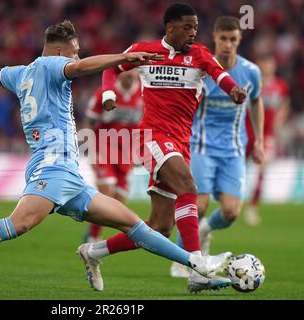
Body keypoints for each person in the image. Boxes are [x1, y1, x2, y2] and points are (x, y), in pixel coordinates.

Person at [0, 20, 232, 298]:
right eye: (74, 51)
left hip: (68, 174)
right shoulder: (52, 65)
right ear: (57, 53)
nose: (77, 57)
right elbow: (80, 68)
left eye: (79, 51)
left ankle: (196, 263)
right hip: (51, 166)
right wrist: (124, 56)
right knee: (19, 223)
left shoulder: (20, 73)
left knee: (134, 224)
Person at [77, 4, 247, 293]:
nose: (194, 32)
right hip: (150, 137)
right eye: (188, 27)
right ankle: (198, 269)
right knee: (187, 185)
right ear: (170, 28)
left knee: (159, 228)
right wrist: (108, 93)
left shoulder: (200, 55)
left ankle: (93, 252)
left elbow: (220, 76)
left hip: (180, 143)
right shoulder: (145, 49)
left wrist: (233, 89)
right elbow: (112, 68)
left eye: (196, 27)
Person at [170, 16, 264, 278]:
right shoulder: (202, 70)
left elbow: (256, 101)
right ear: (214, 38)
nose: (227, 44)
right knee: (197, 206)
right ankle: (184, 259)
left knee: (232, 212)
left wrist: (258, 141)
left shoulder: (251, 72)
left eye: (232, 39)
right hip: (201, 146)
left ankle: (205, 230)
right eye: (223, 38)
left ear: (239, 40)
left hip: (234, 149)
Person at [84, 70, 143, 242]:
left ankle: (93, 232)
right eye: (126, 70)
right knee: (106, 194)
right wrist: (89, 150)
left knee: (119, 202)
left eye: (134, 70)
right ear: (118, 71)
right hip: (104, 148)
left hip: (127, 153)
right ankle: (93, 239)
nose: (130, 74)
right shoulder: (104, 93)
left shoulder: (143, 93)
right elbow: (89, 121)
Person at [244, 54, 290, 226]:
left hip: (267, 135)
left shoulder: (280, 86)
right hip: (246, 133)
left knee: (262, 170)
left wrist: (279, 122)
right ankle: (232, 201)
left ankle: (253, 207)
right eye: (264, 63)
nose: (267, 67)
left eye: (270, 63)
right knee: (238, 169)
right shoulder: (252, 84)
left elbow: (284, 105)